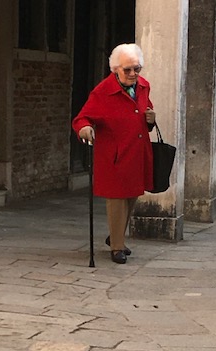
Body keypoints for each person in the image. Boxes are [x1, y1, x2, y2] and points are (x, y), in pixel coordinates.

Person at [72, 43, 156, 264]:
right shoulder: (103, 91)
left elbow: (144, 111)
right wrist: (84, 128)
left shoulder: (143, 86)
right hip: (115, 155)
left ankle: (115, 236)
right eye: (127, 70)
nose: (133, 74)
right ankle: (117, 246)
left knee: (132, 195)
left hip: (137, 151)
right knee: (117, 198)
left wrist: (151, 119)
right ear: (115, 69)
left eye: (136, 68)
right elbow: (82, 118)